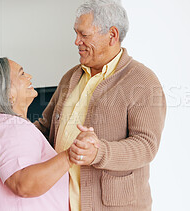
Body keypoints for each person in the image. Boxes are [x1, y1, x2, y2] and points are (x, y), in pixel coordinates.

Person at [34, 0, 166, 210]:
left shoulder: (142, 80)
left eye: (84, 35)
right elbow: (45, 127)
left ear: (112, 35)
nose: (76, 41)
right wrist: (8, 133)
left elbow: (146, 145)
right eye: (76, 33)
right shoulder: (70, 77)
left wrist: (98, 152)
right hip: (60, 203)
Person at [0, 57, 71, 211]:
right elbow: (23, 185)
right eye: (22, 74)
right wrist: (70, 156)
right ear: (7, 93)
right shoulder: (13, 127)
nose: (29, 77)